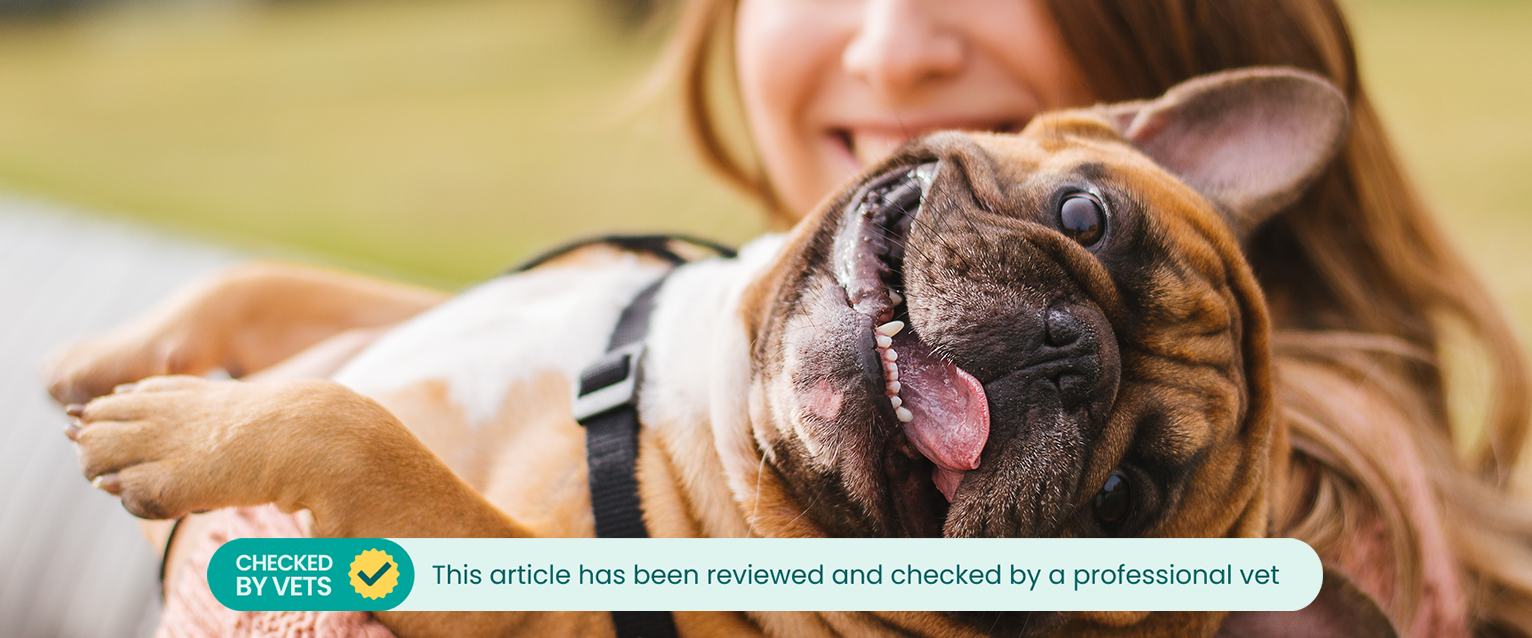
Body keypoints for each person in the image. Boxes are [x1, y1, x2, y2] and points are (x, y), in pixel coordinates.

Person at [44, 0, 1532, 636]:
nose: (896, 46)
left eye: (1132, 486)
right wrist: (256, 314)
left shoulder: (1336, 505)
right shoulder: (731, 317)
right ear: (1130, 127)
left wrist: (312, 446)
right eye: (1084, 223)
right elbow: (511, 359)